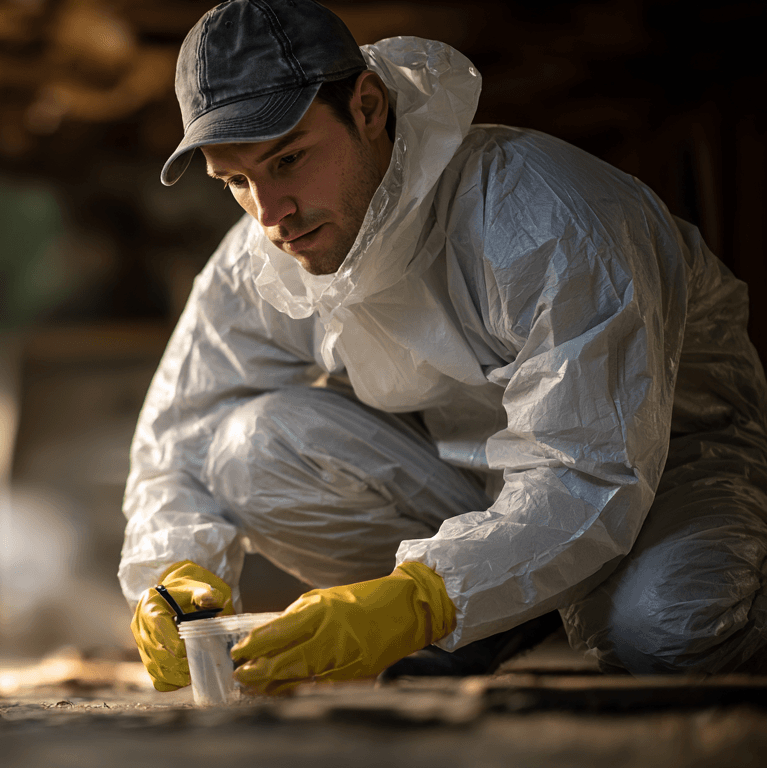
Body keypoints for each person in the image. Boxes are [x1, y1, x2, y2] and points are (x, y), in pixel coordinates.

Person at [123, 0, 767, 696]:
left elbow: (593, 467)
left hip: (671, 469)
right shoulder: (264, 255)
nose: (271, 213)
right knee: (244, 448)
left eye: (289, 158)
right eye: (237, 182)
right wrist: (172, 572)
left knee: (667, 630)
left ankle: (502, 605)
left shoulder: (545, 214)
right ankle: (497, 610)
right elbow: (182, 429)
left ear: (367, 107)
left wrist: (424, 597)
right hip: (476, 482)